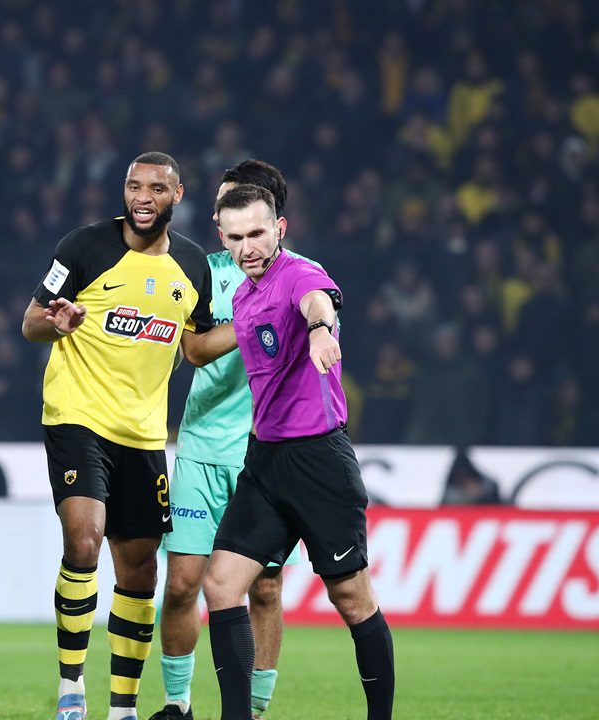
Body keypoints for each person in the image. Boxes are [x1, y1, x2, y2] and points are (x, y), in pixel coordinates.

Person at [21, 152, 236, 720]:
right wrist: (56, 323)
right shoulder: (83, 247)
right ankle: (71, 687)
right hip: (77, 416)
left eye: (156, 188)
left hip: (142, 435)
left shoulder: (192, 264)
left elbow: (195, 346)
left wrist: (248, 327)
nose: (143, 197)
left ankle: (123, 707)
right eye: (134, 186)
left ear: (177, 195)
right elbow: (31, 321)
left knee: (140, 569)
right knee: (84, 541)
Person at [205, 184, 395, 720]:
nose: (248, 248)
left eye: (257, 233)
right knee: (220, 586)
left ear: (280, 229)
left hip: (318, 461)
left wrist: (319, 331)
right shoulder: (242, 298)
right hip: (265, 461)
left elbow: (317, 300)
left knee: (352, 598)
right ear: (222, 237)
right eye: (235, 238)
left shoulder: (299, 273)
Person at [151, 160, 307, 720]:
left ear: (272, 218)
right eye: (224, 211)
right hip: (199, 448)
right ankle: (177, 704)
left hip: (263, 456)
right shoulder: (199, 271)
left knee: (264, 587)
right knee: (181, 585)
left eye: (242, 209)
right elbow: (190, 348)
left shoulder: (300, 279)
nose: (230, 223)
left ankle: (254, 710)